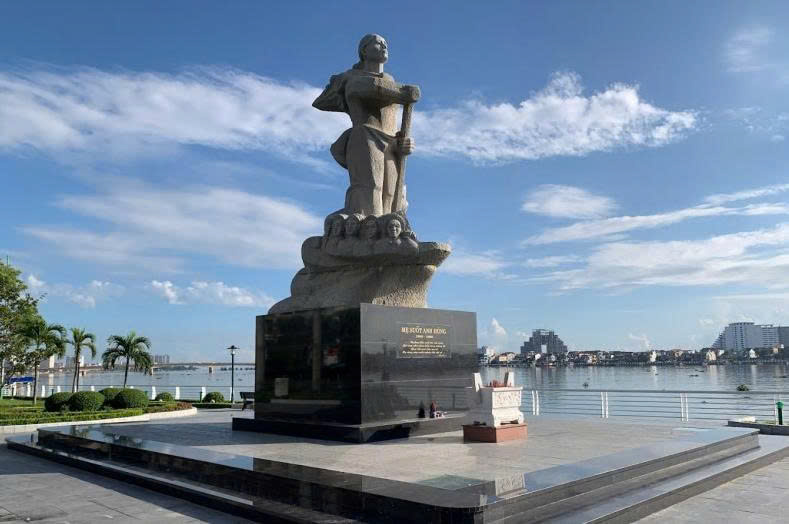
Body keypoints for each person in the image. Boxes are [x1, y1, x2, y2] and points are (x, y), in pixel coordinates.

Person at [313, 34, 419, 217]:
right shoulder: (352, 78)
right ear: (364, 50)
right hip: (365, 136)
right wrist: (404, 93)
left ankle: (387, 231)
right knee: (370, 189)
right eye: (378, 43)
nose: (384, 46)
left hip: (391, 143)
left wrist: (403, 144)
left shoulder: (390, 81)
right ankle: (366, 230)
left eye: (385, 44)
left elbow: (393, 117)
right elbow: (366, 88)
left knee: (391, 194)